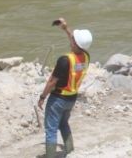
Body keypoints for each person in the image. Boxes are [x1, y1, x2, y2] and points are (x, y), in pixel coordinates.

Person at [37, 18, 92, 157]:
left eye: (72, 38)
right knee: (63, 123)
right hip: (72, 98)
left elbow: (51, 82)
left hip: (58, 99)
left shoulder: (64, 60)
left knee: (50, 129)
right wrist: (66, 29)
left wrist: (42, 97)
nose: (71, 39)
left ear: (74, 42)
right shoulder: (86, 56)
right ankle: (70, 150)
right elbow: (78, 43)